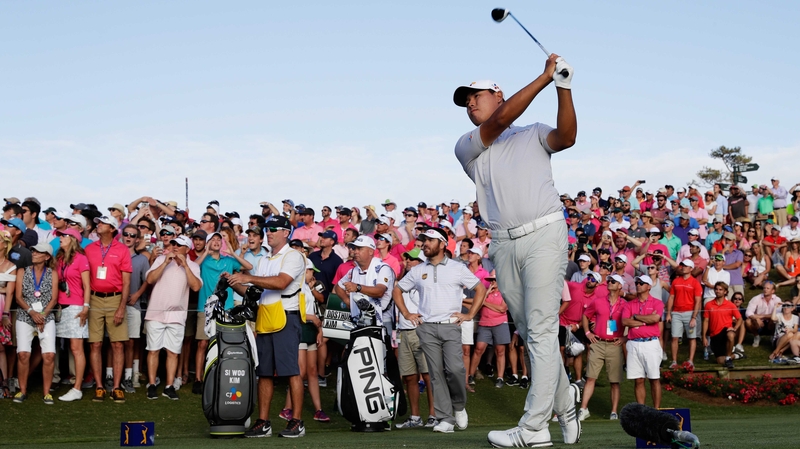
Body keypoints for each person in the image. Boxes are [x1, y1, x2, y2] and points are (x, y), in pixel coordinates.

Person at [452, 56, 581, 446]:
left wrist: (563, 86)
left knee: (540, 330)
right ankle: (567, 404)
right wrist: (545, 77)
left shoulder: (534, 133)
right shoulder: (466, 146)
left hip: (544, 232)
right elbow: (498, 123)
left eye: (476, 96)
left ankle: (534, 428)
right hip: (503, 243)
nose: (471, 104)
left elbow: (568, 137)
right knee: (532, 331)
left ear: (498, 94)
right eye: (467, 100)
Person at [393, 228, 487, 434]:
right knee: (436, 375)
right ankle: (445, 419)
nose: (425, 243)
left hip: (450, 326)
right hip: (426, 328)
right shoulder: (417, 270)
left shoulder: (457, 268)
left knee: (455, 370)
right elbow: (397, 290)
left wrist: (470, 314)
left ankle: (459, 406)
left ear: (443, 244)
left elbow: (481, 288)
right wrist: (407, 314)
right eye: (423, 240)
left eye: (429, 240)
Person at [226, 216, 307, 438]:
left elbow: (281, 282)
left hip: (286, 317)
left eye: (273, 229)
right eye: (267, 229)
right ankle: (263, 422)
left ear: (286, 233)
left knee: (291, 371)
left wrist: (248, 278)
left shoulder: (294, 256)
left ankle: (297, 421)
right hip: (266, 316)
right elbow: (254, 293)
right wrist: (235, 282)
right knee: (264, 373)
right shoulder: (264, 260)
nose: (268, 232)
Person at [143, 235, 202, 400]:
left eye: (179, 245)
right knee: (153, 350)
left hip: (177, 315)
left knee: (173, 352)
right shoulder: (161, 259)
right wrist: (165, 263)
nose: (175, 246)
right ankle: (152, 384)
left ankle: (169, 386)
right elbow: (150, 279)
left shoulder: (192, 266)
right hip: (156, 312)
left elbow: (196, 286)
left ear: (187, 249)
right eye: (174, 243)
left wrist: (185, 265)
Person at [85, 216, 132, 403]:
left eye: (103, 223)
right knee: (95, 344)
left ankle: (117, 386)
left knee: (117, 344)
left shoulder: (122, 250)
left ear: (113, 229)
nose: (99, 225)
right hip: (94, 299)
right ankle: (99, 386)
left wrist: (121, 307)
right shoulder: (89, 249)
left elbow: (127, 282)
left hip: (115, 299)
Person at [394, 248, 438, 429]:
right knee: (410, 377)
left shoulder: (427, 282)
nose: (408, 262)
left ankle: (434, 416)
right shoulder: (402, 282)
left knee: (428, 376)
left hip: (422, 331)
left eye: (413, 260)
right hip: (403, 332)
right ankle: (415, 417)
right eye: (407, 259)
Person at [13, 243, 58, 404]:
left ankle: (47, 393)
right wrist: (32, 313)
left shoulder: (52, 273)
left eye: (39, 252)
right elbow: (18, 297)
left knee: (49, 354)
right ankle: (22, 390)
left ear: (47, 257)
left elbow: (54, 298)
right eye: (34, 250)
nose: (34, 253)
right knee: (23, 354)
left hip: (46, 317)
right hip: (25, 316)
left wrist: (42, 315)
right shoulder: (22, 271)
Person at [578, 273, 626, 421]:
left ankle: (613, 411)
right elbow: (585, 316)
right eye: (609, 280)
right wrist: (587, 333)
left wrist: (624, 338)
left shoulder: (625, 304)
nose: (609, 282)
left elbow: (630, 322)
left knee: (614, 381)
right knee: (590, 377)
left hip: (614, 345)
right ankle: (583, 409)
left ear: (620, 286)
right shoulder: (598, 301)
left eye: (613, 281)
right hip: (597, 343)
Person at [53, 228, 91, 402]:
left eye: (63, 236)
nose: (60, 238)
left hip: (76, 307)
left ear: (73, 239)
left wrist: (86, 307)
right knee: (65, 347)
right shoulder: (59, 258)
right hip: (60, 306)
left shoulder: (81, 259)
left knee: (76, 348)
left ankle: (77, 388)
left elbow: (87, 286)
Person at [334, 235, 395, 335]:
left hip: (381, 319)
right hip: (358, 320)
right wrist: (347, 301)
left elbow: (380, 291)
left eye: (360, 248)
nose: (355, 251)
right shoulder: (353, 271)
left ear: (371, 251)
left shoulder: (383, 268)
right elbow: (338, 286)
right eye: (355, 248)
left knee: (381, 350)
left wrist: (357, 287)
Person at [621, 275, 663, 409]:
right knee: (638, 380)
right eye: (637, 282)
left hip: (651, 343)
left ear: (649, 286)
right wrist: (646, 321)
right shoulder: (629, 304)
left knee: (654, 378)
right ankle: (642, 411)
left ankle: (656, 410)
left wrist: (636, 317)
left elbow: (656, 318)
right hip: (634, 343)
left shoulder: (657, 302)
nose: (638, 284)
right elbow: (625, 321)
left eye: (641, 283)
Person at [468, 271, 510, 389]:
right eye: (491, 280)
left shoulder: (505, 293)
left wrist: (484, 302)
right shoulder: (486, 292)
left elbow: (502, 308)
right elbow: (478, 303)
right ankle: (470, 375)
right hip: (485, 323)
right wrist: (486, 295)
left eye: (494, 280)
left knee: (500, 351)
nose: (492, 282)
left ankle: (500, 377)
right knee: (478, 349)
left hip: (500, 323)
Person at [665, 259, 702, 369]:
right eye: (683, 266)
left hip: (690, 313)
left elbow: (698, 301)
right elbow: (671, 297)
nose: (683, 267)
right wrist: (668, 313)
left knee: (692, 337)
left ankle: (690, 361)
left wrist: (694, 317)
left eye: (686, 266)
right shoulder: (676, 281)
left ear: (691, 269)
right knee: (674, 337)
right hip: (676, 312)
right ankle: (674, 361)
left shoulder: (695, 283)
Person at [702, 282, 741, 369]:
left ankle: (728, 357)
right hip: (714, 335)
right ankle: (736, 355)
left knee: (730, 335)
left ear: (725, 292)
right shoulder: (708, 305)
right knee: (720, 361)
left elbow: (740, 319)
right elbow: (706, 321)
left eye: (720, 289)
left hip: (726, 331)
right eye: (716, 289)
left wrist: (734, 328)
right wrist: (704, 336)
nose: (718, 291)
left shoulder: (730, 305)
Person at [745, 281, 782, 347]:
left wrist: (760, 316)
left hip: (771, 321)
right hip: (758, 322)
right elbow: (748, 312)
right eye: (764, 288)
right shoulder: (756, 298)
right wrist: (756, 318)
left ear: (773, 291)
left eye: (768, 288)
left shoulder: (777, 299)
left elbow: (778, 314)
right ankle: (756, 336)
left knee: (774, 319)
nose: (765, 290)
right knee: (748, 321)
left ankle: (772, 336)